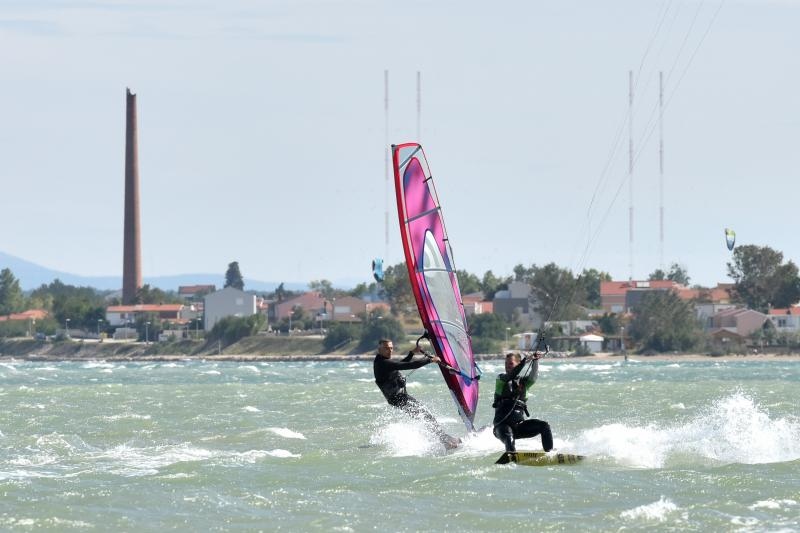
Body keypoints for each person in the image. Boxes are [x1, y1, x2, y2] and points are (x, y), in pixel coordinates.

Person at [373, 338, 461, 449]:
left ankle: (445, 440)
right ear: (379, 349)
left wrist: (411, 353)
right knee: (425, 416)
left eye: (391, 348)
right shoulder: (382, 363)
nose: (389, 351)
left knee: (424, 416)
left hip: (399, 398)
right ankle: (445, 441)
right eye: (386, 348)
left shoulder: (384, 362)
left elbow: (400, 364)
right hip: (398, 398)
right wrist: (430, 360)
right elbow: (408, 365)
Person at [492, 351, 553, 453]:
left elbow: (533, 377)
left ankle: (550, 454)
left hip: (519, 426)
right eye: (506, 363)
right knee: (509, 437)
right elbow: (511, 375)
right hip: (501, 426)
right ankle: (512, 457)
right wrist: (525, 361)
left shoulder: (525, 383)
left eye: (510, 363)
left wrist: (535, 361)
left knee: (544, 426)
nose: (507, 366)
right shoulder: (500, 379)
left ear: (517, 363)